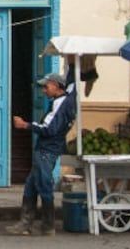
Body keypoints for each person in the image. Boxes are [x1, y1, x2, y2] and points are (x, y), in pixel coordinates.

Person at [7, 71, 76, 236]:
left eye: (46, 86)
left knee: (44, 186)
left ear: (56, 86)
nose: (44, 90)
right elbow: (73, 83)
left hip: (47, 150)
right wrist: (72, 63)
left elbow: (49, 129)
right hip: (46, 150)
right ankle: (26, 223)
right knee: (31, 186)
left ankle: (47, 225)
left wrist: (25, 125)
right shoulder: (65, 99)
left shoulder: (61, 103)